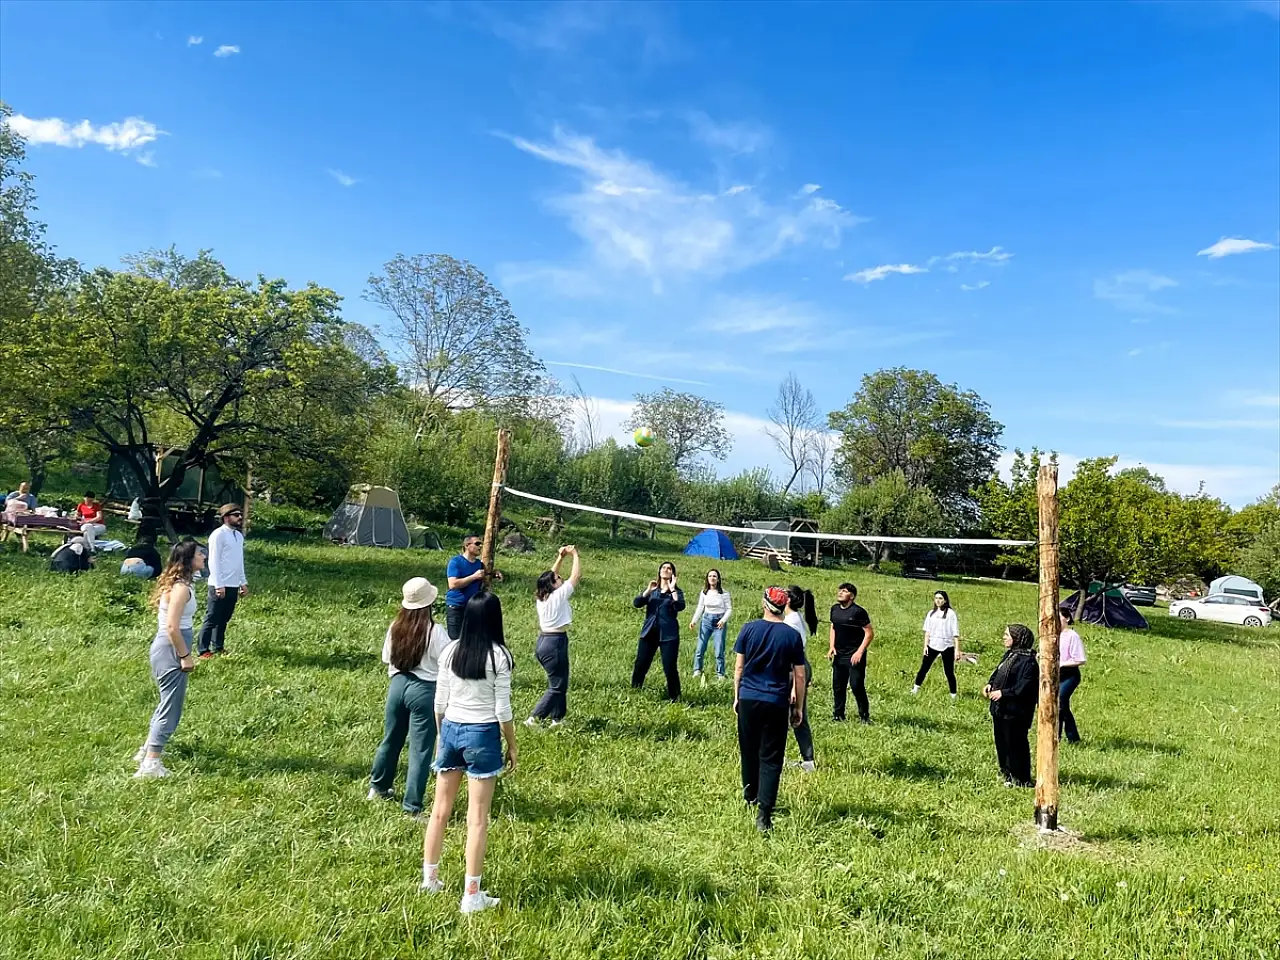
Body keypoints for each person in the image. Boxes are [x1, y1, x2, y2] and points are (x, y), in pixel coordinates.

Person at [422, 591, 517, 914]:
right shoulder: (499, 656)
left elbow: (439, 702)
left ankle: (429, 879)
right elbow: (502, 709)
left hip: (451, 728)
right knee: (477, 819)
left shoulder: (450, 651)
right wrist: (513, 744)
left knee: (439, 811)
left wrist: (441, 735)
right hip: (482, 733)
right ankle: (471, 894)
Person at [369, 577, 451, 815]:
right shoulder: (435, 631)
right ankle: (412, 805)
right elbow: (448, 662)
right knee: (420, 750)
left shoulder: (395, 626)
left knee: (391, 738)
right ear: (429, 604)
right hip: (424, 690)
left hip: (397, 684)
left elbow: (387, 657)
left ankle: (378, 786)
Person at [734, 586, 808, 832]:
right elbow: (799, 674)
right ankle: (764, 815)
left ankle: (749, 796)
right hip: (776, 701)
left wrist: (737, 697)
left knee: (749, 750)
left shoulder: (748, 629)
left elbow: (739, 669)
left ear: (765, 604)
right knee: (772, 757)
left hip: (748, 698)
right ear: (783, 606)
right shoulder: (791, 635)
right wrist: (797, 707)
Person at [134, 540, 203, 778]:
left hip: (169, 645)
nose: (203, 558)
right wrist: (185, 656)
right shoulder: (181, 589)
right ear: (188, 560)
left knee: (166, 703)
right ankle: (151, 763)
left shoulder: (180, 584)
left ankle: (147, 750)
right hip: (172, 647)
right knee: (171, 708)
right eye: (199, 555)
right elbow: (173, 627)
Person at [526, 545, 581, 728]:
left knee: (560, 682)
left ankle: (558, 719)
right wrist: (574, 555)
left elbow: (550, 575)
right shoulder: (559, 595)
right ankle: (534, 718)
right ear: (552, 585)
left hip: (545, 642)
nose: (560, 578)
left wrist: (560, 557)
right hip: (554, 643)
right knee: (557, 686)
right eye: (558, 579)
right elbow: (576, 577)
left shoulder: (543, 597)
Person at [984, 624, 1039, 788]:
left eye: (1007, 635)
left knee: (1016, 743)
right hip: (1000, 709)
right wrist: (990, 684)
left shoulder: (1028, 662)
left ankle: (1021, 778)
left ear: (1017, 638)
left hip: (1015, 711)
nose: (1004, 637)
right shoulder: (1009, 655)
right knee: (1001, 743)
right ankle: (1006, 774)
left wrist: (1003, 693)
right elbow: (998, 672)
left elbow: (1024, 686)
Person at [196, 504, 248, 659]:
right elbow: (214, 561)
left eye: (240, 514)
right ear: (226, 517)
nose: (240, 517)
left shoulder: (238, 536)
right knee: (212, 617)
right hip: (219, 584)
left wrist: (242, 582)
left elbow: (239, 561)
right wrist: (219, 584)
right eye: (236, 515)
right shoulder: (218, 535)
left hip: (233, 583)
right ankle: (203, 649)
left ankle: (218, 646)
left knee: (224, 618)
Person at [631, 561, 685, 702]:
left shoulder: (677, 592)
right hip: (649, 633)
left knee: (669, 667)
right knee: (641, 664)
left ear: (673, 573)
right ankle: (635, 691)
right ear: (659, 571)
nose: (666, 570)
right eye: (663, 568)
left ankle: (675, 697)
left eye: (669, 568)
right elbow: (637, 603)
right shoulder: (652, 591)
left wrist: (672, 589)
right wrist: (647, 591)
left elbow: (680, 606)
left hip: (668, 635)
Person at [828, 583, 874, 723]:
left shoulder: (858, 612)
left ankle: (864, 716)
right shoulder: (834, 609)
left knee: (856, 685)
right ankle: (838, 715)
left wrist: (860, 652)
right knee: (838, 685)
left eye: (844, 591)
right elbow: (833, 627)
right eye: (839, 590)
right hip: (839, 654)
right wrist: (831, 646)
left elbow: (869, 633)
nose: (840, 593)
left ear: (852, 596)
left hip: (854, 655)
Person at [784, 585, 819, 773]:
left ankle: (805, 760)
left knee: (793, 714)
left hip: (794, 670)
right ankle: (808, 760)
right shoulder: (794, 618)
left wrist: (794, 687)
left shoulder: (791, 622)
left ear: (788, 600)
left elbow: (791, 655)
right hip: (799, 667)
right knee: (798, 715)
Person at [913, 590, 964, 700]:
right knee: (923, 669)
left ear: (945, 600)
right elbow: (927, 632)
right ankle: (915, 688)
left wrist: (957, 650)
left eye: (940, 598)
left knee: (949, 672)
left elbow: (955, 633)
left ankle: (953, 695)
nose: (938, 600)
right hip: (932, 645)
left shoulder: (950, 614)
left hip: (947, 646)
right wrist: (925, 646)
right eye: (936, 598)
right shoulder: (931, 613)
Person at [689, 569, 732, 684]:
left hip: (719, 622)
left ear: (718, 579)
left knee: (719, 649)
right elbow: (700, 607)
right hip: (706, 621)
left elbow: (729, 609)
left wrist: (723, 620)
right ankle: (697, 670)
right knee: (700, 647)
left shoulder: (724, 594)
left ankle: (720, 673)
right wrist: (694, 621)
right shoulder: (704, 592)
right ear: (707, 579)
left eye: (714, 576)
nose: (712, 578)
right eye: (710, 576)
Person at [445, 534, 488, 640]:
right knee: (455, 641)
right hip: (456, 607)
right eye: (477, 543)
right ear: (467, 545)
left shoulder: (479, 564)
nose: (480, 547)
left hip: (473, 608)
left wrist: (494, 573)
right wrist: (474, 577)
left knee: (471, 639)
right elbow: (453, 584)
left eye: (481, 544)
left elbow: (485, 575)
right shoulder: (455, 562)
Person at [1058, 611, 1087, 744]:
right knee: (1059, 706)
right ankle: (1055, 736)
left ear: (1067, 618)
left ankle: (1073, 737)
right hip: (1054, 676)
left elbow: (1080, 660)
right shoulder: (1051, 634)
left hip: (1069, 675)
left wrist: (1061, 664)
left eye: (1059, 617)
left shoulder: (1072, 636)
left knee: (1060, 700)